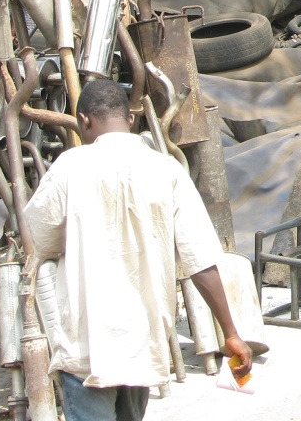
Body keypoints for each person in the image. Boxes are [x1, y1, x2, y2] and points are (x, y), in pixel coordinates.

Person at [26, 78, 251, 418]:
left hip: (87, 342)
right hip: (142, 341)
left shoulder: (68, 168)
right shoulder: (166, 170)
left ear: (84, 121)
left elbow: (40, 239)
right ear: (131, 119)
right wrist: (231, 333)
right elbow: (200, 260)